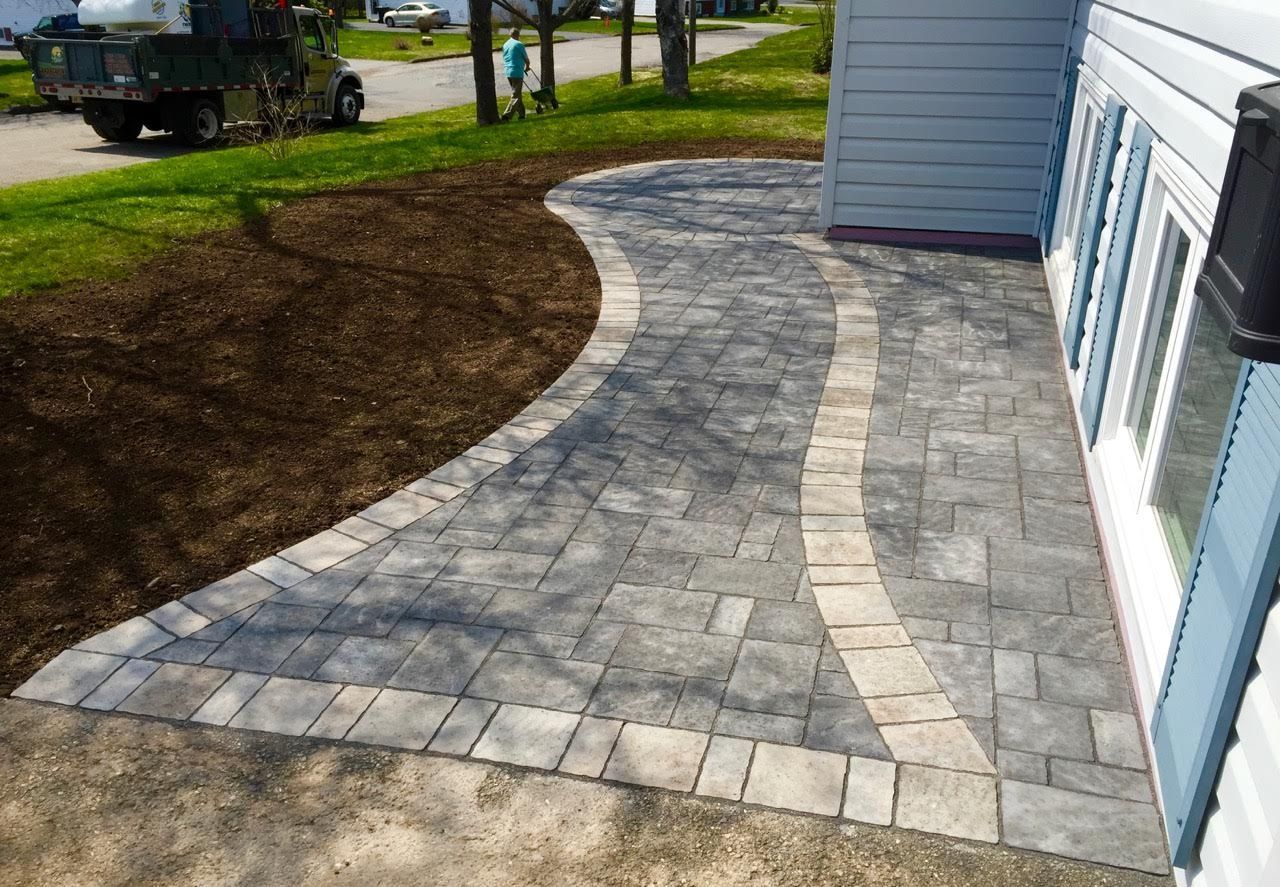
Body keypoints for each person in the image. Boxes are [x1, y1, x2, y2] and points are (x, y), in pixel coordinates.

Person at [501, 27, 531, 122]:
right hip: (517, 71)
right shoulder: (519, 44)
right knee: (516, 95)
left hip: (508, 71)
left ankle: (522, 115)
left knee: (517, 93)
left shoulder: (505, 44)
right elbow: (526, 59)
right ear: (518, 35)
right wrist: (527, 67)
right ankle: (507, 115)